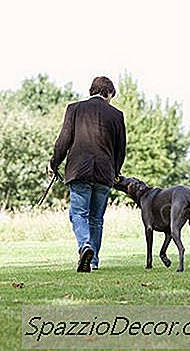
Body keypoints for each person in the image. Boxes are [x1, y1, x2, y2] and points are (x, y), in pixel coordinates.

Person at [49, 76, 126, 272]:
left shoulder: (74, 109)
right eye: (111, 97)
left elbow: (63, 140)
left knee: (78, 213)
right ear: (108, 93)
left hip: (79, 170)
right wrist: (115, 172)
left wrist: (54, 163)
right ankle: (93, 261)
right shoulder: (117, 115)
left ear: (92, 90)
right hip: (104, 173)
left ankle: (85, 246)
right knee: (96, 218)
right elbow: (120, 150)